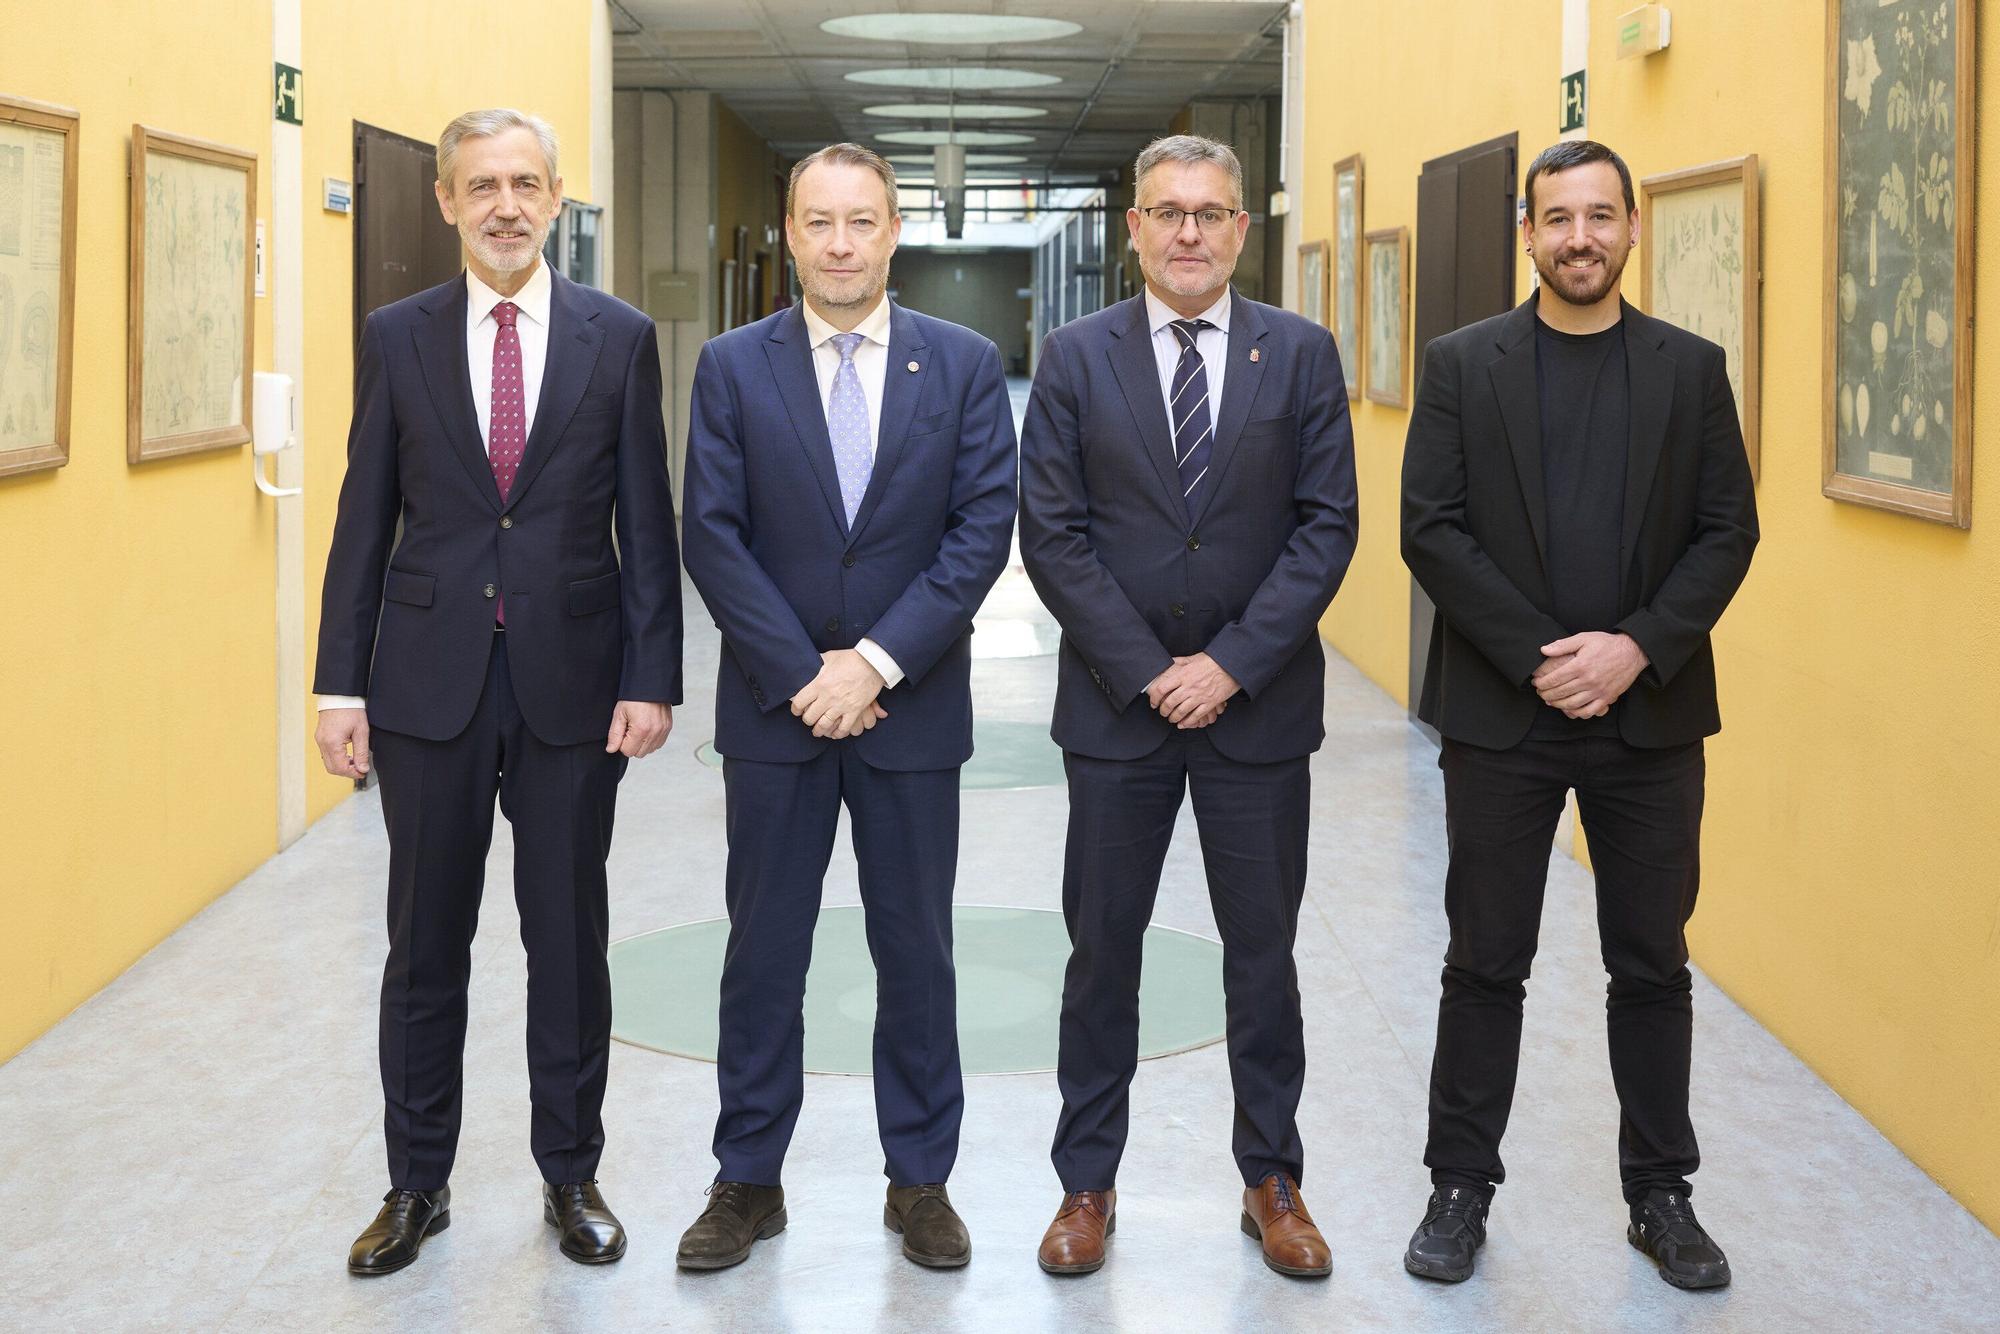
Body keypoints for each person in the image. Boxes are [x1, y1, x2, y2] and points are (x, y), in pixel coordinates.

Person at [314, 108, 681, 1275]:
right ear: (446, 201)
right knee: (424, 946)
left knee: (567, 940)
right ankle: (416, 1183)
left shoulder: (617, 338)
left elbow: (646, 521)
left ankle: (570, 1175)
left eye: (526, 183)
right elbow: (363, 516)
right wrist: (337, 683)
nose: (506, 205)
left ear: (557, 196)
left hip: (574, 686)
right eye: (483, 186)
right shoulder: (397, 334)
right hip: (426, 688)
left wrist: (653, 674)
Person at [1398, 139, 1758, 1290]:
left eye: (1599, 216)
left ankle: (1660, 1194)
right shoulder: (1462, 364)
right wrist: (1544, 658)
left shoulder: (1689, 370)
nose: (1579, 238)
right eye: (1558, 218)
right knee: (1483, 959)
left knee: (1649, 963)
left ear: (1630, 228)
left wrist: (1635, 648)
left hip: (1646, 719)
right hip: (1503, 716)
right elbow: (1430, 526)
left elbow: (1725, 531)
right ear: (1527, 232)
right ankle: (1458, 1186)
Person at [1018, 133, 1358, 1279]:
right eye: (1164, 212)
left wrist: (1228, 665)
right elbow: (1051, 536)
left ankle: (1272, 1177)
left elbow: (1325, 529)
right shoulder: (1071, 356)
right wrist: (1148, 664)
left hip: (1255, 715)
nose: (1187, 233)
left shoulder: (1299, 354)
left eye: (1209, 213)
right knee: (1100, 953)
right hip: (1116, 717)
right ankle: (1084, 1182)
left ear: (1240, 230)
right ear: (1130, 227)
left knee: (1260, 956)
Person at [675, 143, 1016, 1271]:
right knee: (763, 949)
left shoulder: (963, 365)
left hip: (908, 713)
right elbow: (711, 535)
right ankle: (747, 1179)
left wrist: (870, 663)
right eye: (816, 222)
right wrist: (805, 675)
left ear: (891, 233)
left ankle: (918, 1179)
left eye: (859, 222)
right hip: (777, 716)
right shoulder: (731, 366)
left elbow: (978, 535)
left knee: (914, 948)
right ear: (787, 232)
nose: (837, 243)